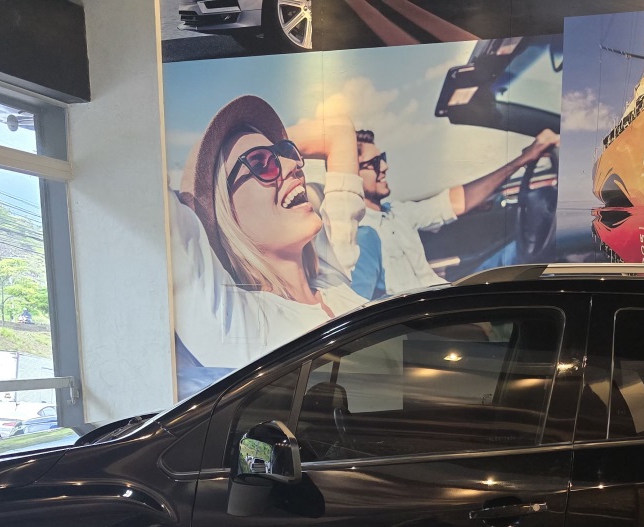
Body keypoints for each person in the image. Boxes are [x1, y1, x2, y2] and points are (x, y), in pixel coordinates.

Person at [171, 95, 368, 397]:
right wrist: (205, 163)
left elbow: (340, 132)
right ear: (227, 213)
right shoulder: (240, 321)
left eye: (287, 152)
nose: (294, 165)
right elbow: (150, 199)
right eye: (261, 163)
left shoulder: (333, 281)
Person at [317, 126, 560, 298]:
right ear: (353, 175)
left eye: (383, 158)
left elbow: (458, 201)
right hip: (422, 319)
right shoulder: (357, 236)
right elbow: (361, 305)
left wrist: (524, 159)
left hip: (444, 294)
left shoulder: (399, 213)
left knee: (513, 256)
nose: (386, 166)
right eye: (374, 163)